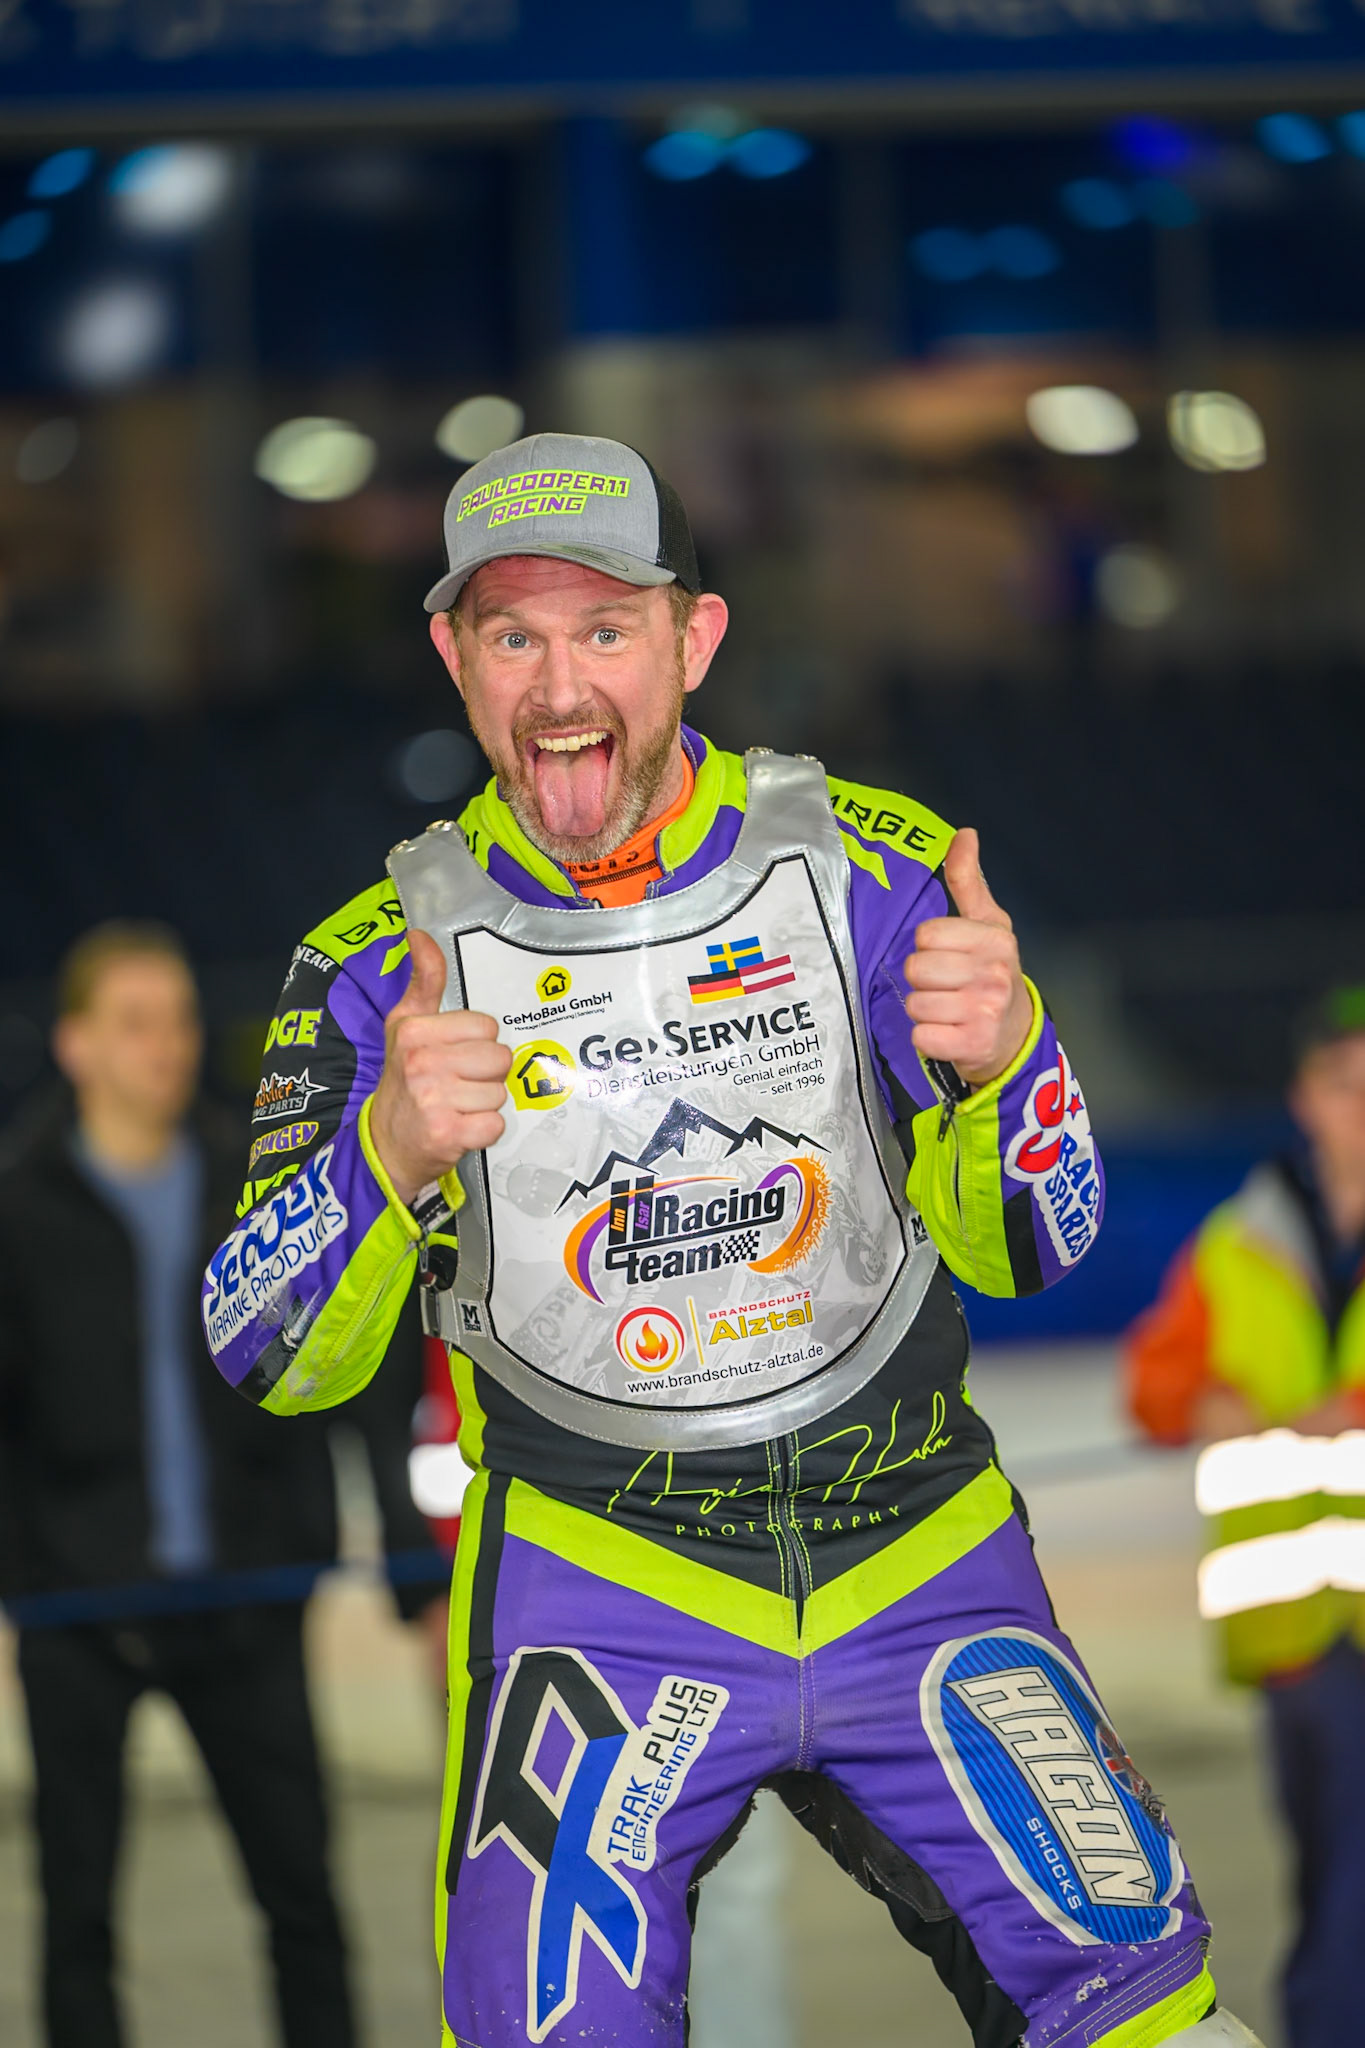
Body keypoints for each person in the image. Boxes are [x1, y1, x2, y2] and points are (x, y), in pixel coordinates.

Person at [203, 433, 1258, 2048]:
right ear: (454, 660)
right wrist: (387, 1148)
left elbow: (1042, 1242)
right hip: (597, 1583)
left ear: (693, 640)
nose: (562, 687)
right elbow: (259, 1349)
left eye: (606, 631)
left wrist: (1014, 1055)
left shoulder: (871, 864)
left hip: (920, 1556)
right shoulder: (370, 961)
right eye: (515, 637)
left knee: (1151, 2010)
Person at [0, 921, 433, 2048]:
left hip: (247, 1594)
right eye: (137, 1021)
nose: (170, 1044)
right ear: (77, 1042)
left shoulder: (265, 1189)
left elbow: (357, 1372)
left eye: (183, 1017)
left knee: (302, 1899)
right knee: (78, 1912)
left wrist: (402, 1552)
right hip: (76, 1613)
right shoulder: (17, 1203)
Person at [1127, 986, 1365, 2048]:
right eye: (1347, 1085)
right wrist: (1201, 1398)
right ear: (1304, 1095)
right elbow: (1154, 1381)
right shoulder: (1241, 1240)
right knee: (1327, 1861)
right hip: (1294, 1627)